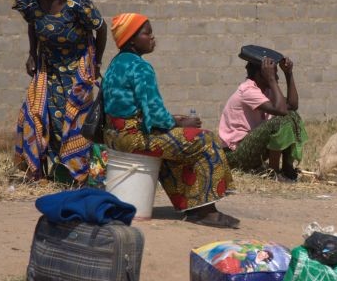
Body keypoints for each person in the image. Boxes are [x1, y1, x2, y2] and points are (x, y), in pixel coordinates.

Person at [102, 13, 239, 229]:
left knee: (175, 142)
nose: (152, 37)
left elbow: (138, 110)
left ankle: (193, 206)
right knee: (205, 140)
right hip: (134, 138)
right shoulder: (140, 67)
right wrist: (180, 123)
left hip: (114, 135)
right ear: (131, 39)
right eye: (147, 33)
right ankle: (205, 211)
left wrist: (174, 120)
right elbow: (156, 116)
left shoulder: (116, 63)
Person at [13, 0, 108, 184]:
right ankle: (42, 173)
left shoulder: (75, 1)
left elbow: (101, 28)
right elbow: (33, 26)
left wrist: (96, 63)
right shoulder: (32, 0)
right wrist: (32, 54)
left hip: (78, 69)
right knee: (37, 115)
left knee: (74, 121)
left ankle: (79, 176)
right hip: (49, 68)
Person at [218, 52, 308, 182]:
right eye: (272, 73)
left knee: (292, 116)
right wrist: (271, 79)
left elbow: (292, 105)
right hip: (234, 155)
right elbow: (281, 111)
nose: (276, 77)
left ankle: (288, 170)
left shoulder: (265, 90)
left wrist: (288, 74)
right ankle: (273, 172)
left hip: (251, 149)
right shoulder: (248, 90)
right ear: (261, 74)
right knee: (280, 120)